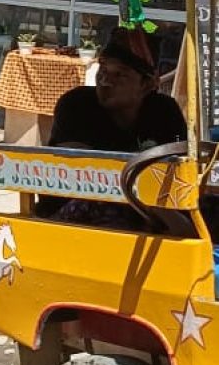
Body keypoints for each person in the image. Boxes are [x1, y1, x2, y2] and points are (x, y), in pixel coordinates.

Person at [36, 26, 187, 226]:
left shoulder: (164, 109)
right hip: (75, 207)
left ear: (147, 85)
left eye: (120, 75)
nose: (105, 81)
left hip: (148, 206)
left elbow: (179, 165)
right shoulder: (77, 103)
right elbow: (82, 167)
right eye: (103, 70)